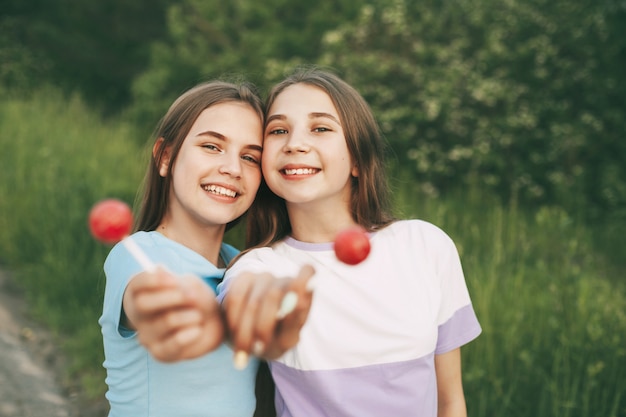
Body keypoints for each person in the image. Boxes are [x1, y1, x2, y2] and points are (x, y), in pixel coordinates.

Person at [220, 67, 482, 417]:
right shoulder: (261, 265)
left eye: (321, 128)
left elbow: (450, 402)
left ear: (357, 159)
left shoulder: (425, 246)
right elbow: (241, 298)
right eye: (279, 130)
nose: (295, 143)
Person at [98, 79, 312, 417]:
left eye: (249, 157)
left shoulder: (243, 263)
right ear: (165, 157)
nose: (231, 168)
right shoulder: (137, 254)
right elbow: (152, 302)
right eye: (212, 147)